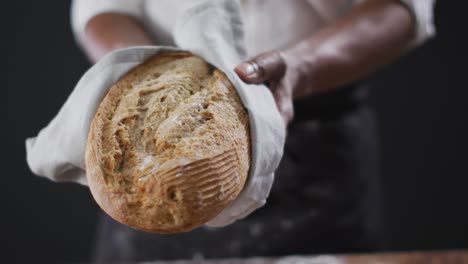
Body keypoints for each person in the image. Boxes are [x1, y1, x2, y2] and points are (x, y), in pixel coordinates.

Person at [71, 0, 436, 262]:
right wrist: (139, 64)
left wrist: (300, 68)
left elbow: (401, 7)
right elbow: (103, 9)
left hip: (313, 121)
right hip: (155, 119)